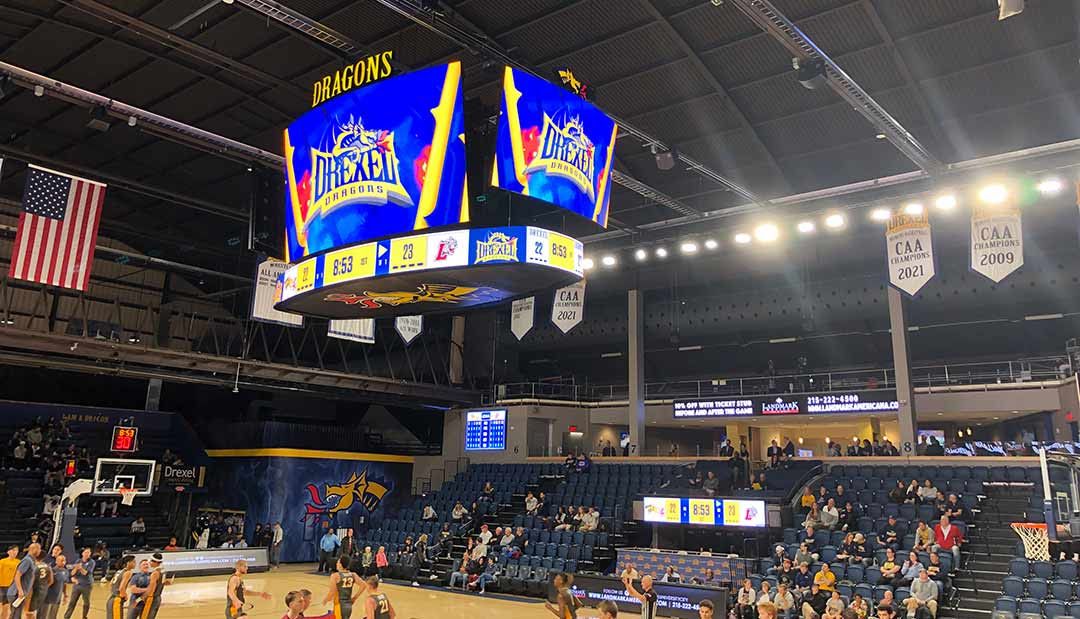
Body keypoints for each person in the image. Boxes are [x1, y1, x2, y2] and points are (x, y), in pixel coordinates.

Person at [127, 553, 167, 619]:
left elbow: (151, 591)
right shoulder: (163, 571)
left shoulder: (154, 573)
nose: (149, 563)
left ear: (156, 562)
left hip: (151, 599)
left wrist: (138, 600)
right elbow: (162, 583)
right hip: (157, 598)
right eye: (144, 564)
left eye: (150, 561)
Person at [63, 548, 94, 619]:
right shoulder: (78, 561)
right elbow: (72, 573)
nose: (87, 554)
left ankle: (84, 616)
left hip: (87, 585)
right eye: (85, 552)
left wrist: (80, 568)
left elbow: (86, 573)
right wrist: (76, 569)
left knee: (86, 602)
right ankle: (66, 617)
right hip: (77, 585)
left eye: (88, 552)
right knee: (72, 602)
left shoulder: (92, 562)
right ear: (82, 553)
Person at [42, 554, 68, 619]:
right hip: (48, 598)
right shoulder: (51, 571)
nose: (63, 562)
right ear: (56, 561)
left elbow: (64, 584)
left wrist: (65, 595)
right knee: (44, 616)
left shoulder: (66, 571)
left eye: (64, 560)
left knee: (53, 616)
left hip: (57, 598)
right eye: (61, 560)